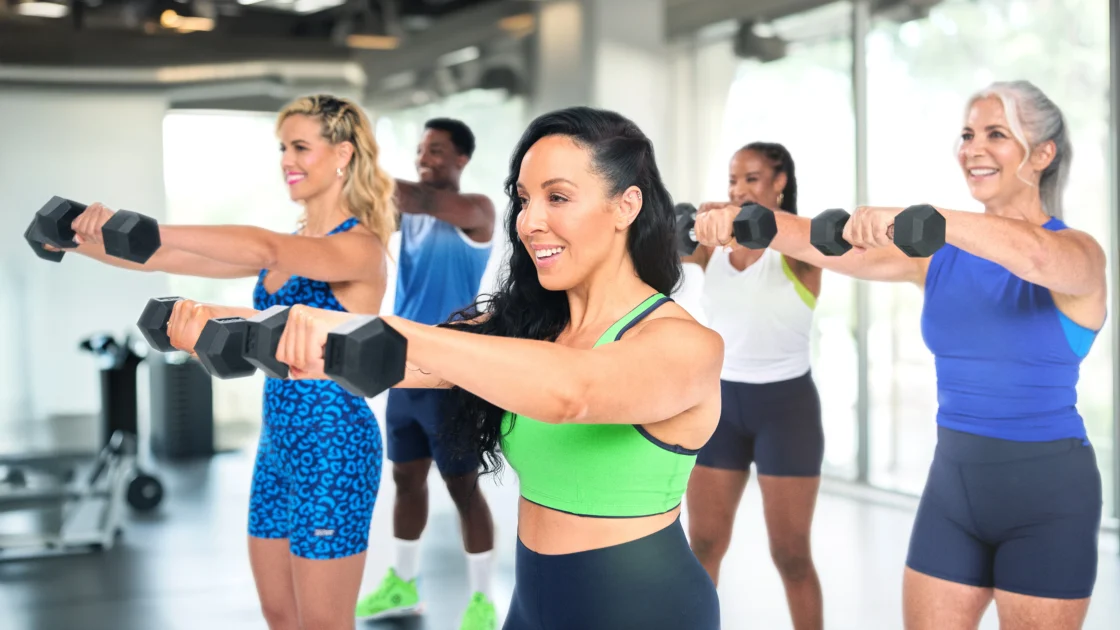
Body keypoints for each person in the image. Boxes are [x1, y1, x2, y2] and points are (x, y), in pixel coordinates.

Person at [164, 106, 724, 630]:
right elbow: (399, 356)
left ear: (626, 205)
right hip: (532, 604)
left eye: (558, 197)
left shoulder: (683, 345)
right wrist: (231, 323)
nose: (530, 222)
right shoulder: (531, 330)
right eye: (524, 199)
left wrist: (400, 331)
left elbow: (571, 392)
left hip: (643, 608)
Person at [696, 80, 1106, 630]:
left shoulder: (1078, 253)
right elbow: (822, 241)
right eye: (966, 134)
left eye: (995, 134)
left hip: (1048, 500)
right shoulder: (934, 258)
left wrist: (927, 217)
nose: (972, 148)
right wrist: (745, 223)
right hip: (953, 491)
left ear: (1044, 153)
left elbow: (1032, 254)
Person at [54, 94, 396, 630]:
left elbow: (264, 248)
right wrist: (78, 238)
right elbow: (164, 258)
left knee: (324, 625)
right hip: (279, 442)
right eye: (283, 147)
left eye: (301, 147)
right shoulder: (297, 240)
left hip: (335, 445)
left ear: (343, 155)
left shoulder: (360, 248)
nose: (287, 159)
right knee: (280, 615)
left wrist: (139, 224)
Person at [356, 118, 499, 629]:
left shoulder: (475, 212)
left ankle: (482, 600)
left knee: (463, 488)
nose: (424, 158)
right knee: (405, 480)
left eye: (436, 151)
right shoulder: (408, 215)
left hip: (451, 377)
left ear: (461, 158)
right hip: (403, 372)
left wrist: (350, 157)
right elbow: (374, 207)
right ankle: (402, 584)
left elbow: (423, 199)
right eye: (420, 151)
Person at [683, 142, 825, 630]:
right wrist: (698, 221)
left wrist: (730, 214)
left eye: (752, 179)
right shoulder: (714, 247)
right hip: (722, 405)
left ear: (780, 183)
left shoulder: (803, 248)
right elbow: (662, 245)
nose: (739, 189)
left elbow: (793, 237)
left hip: (786, 409)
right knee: (703, 544)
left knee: (790, 555)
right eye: (732, 181)